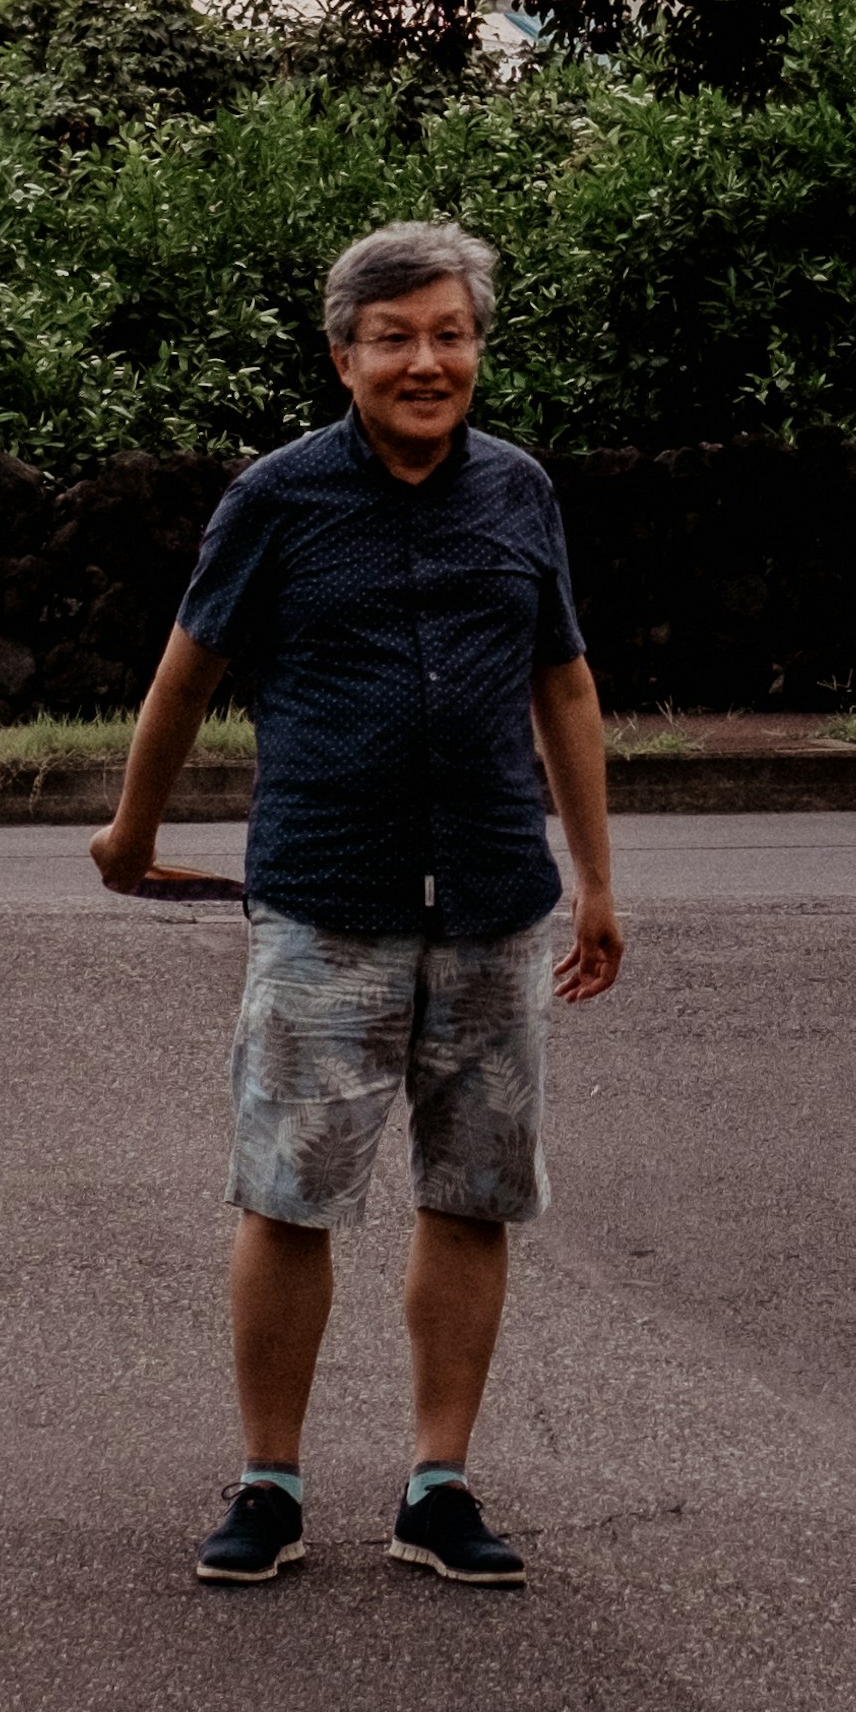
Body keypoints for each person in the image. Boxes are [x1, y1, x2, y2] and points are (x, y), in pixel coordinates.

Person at [89, 214, 624, 1593]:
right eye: (395, 338)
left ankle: (438, 1485)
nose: (425, 361)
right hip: (328, 897)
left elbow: (561, 685)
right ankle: (269, 1481)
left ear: (476, 351)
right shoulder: (278, 499)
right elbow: (185, 681)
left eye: (450, 335)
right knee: (290, 1197)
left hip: (495, 899)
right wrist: (133, 831)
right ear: (345, 356)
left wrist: (599, 883)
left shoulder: (518, 494)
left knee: (473, 1194)